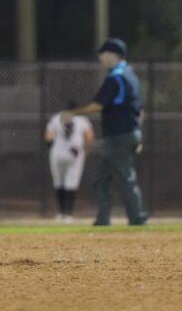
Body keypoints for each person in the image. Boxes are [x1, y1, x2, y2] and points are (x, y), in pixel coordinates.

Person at [60, 38, 147, 226]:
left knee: (125, 178)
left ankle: (138, 218)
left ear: (110, 54)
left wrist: (72, 113)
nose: (100, 57)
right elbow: (139, 109)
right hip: (125, 134)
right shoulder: (131, 75)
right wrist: (137, 134)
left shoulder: (116, 76)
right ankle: (103, 220)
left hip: (119, 136)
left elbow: (98, 105)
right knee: (101, 180)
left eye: (102, 53)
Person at [45, 100, 94, 221]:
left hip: (57, 153)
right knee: (71, 182)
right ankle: (69, 214)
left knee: (59, 182)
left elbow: (48, 137)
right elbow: (89, 137)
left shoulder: (56, 118)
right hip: (75, 153)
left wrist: (55, 146)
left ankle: (61, 213)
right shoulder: (82, 120)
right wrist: (86, 150)